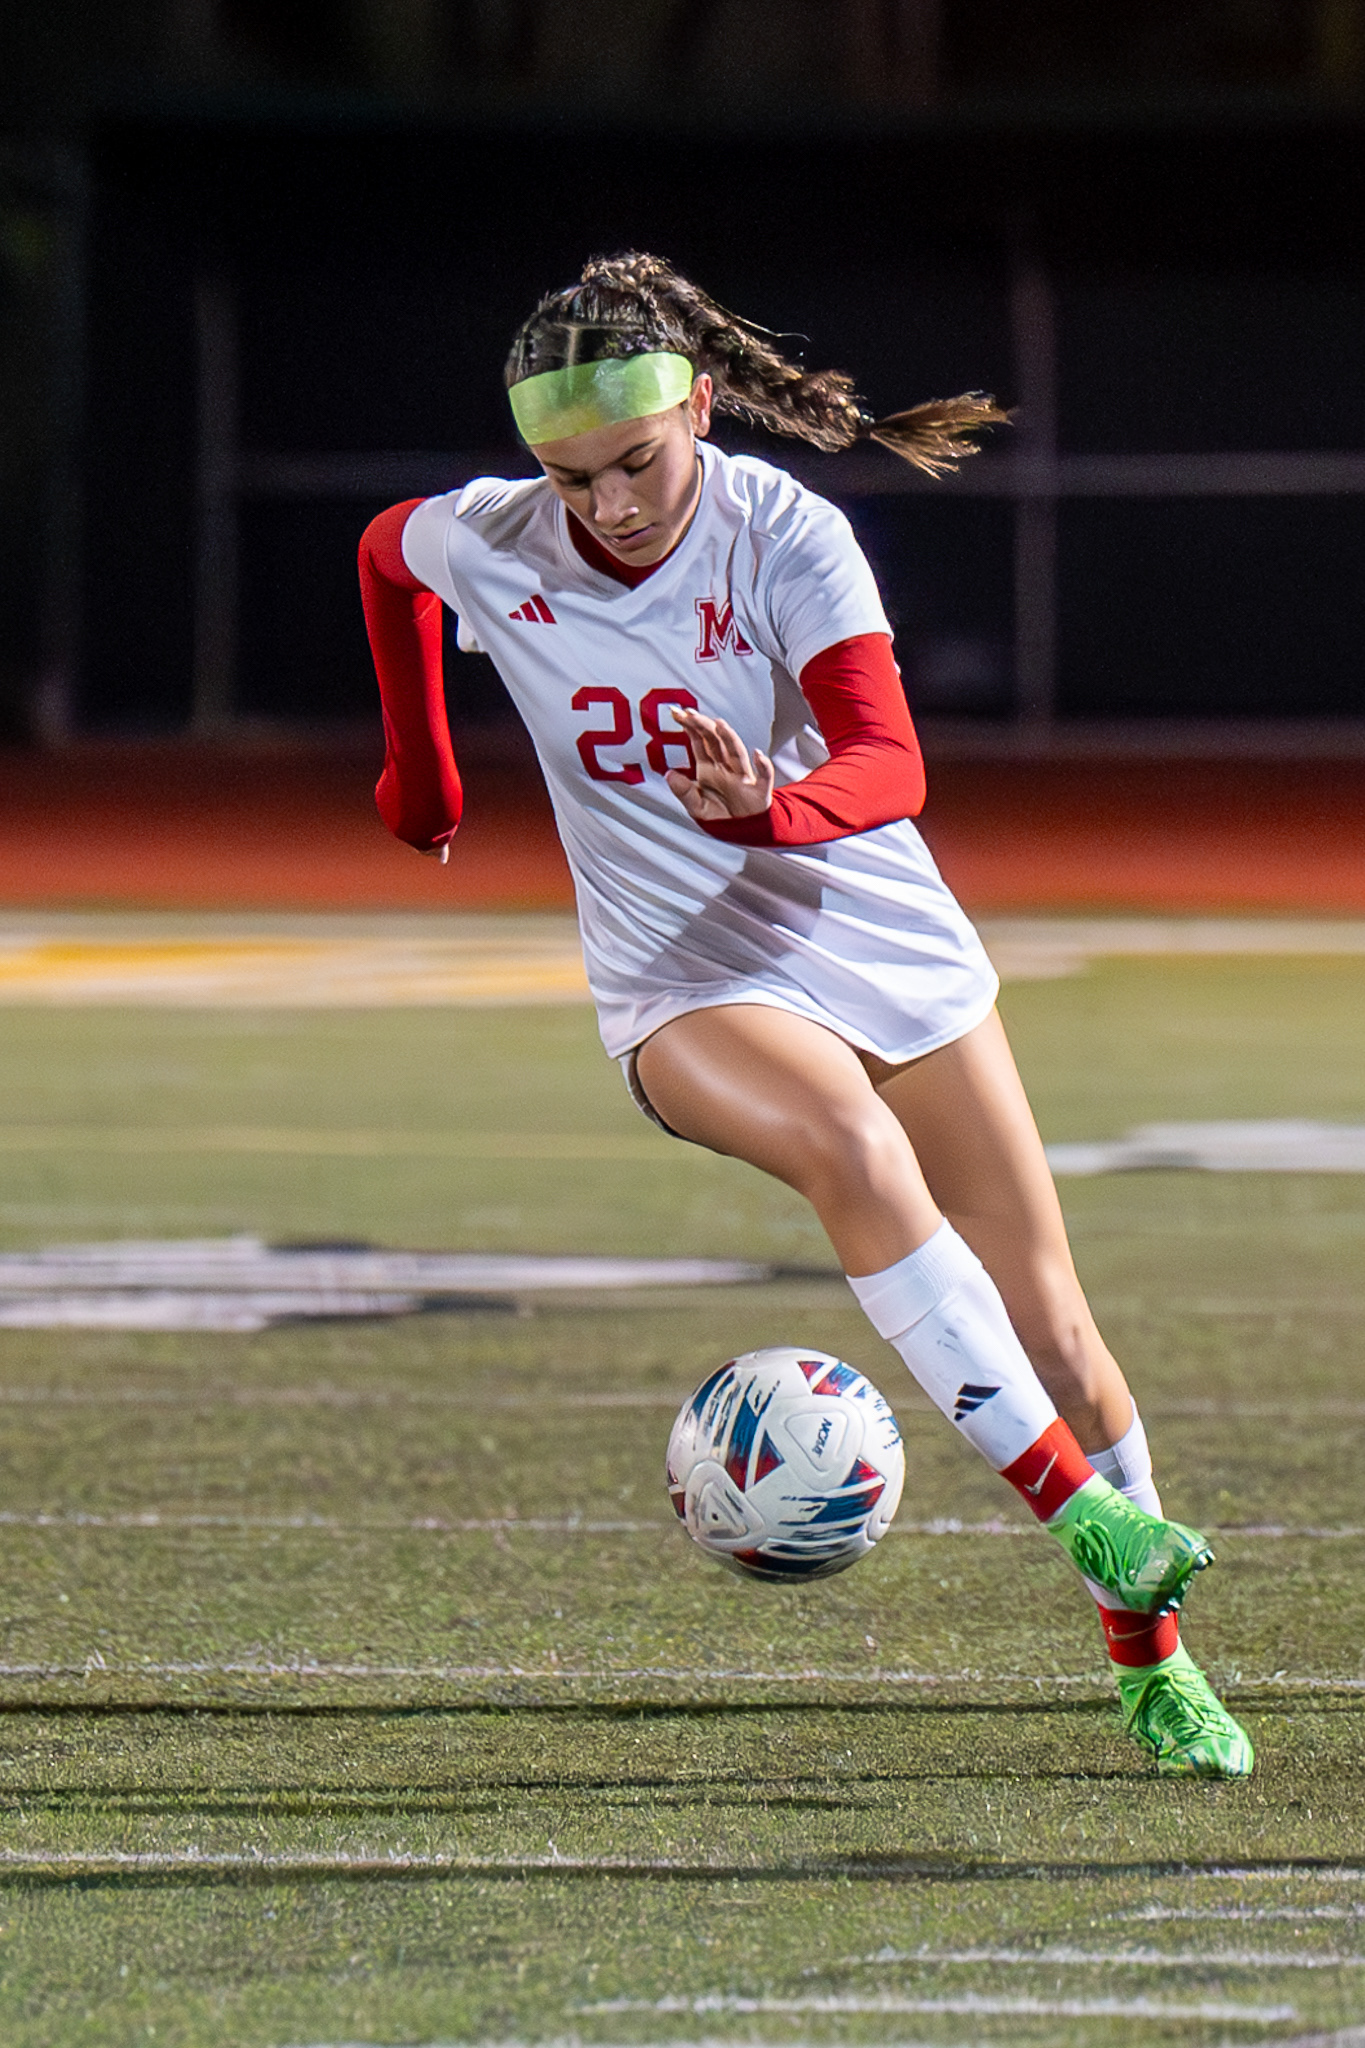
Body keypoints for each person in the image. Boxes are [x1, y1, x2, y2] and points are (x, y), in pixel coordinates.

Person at [358, 251, 1252, 1778]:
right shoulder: (494, 539)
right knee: (847, 1145)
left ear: (699, 407)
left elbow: (888, 765)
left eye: (635, 462)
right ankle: (1089, 1522)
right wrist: (419, 770)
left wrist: (770, 810)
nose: (610, 506)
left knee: (1061, 1333)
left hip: (871, 930)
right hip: (682, 979)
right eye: (570, 479)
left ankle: (1149, 1658)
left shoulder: (786, 533)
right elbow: (386, 556)